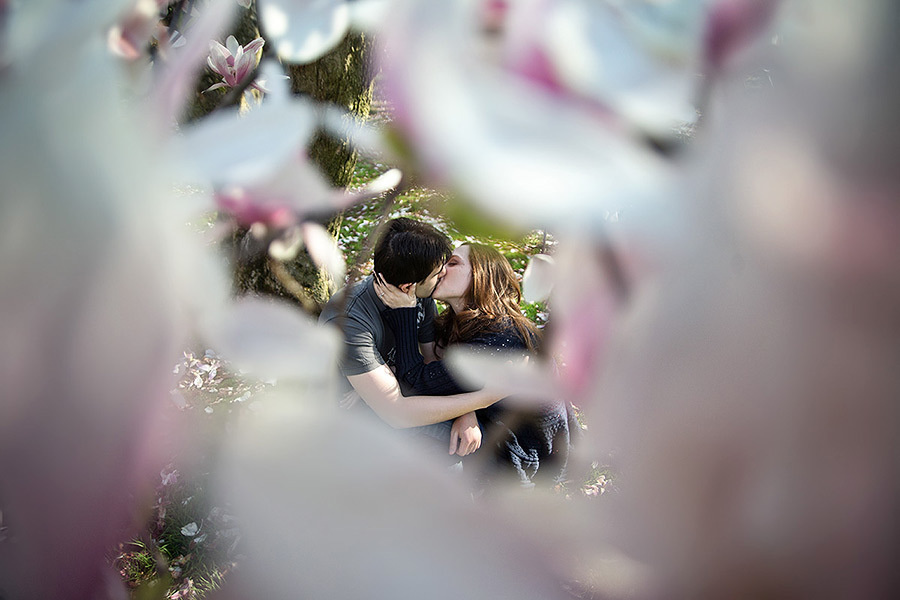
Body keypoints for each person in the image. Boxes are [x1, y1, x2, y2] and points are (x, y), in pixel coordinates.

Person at [375, 243, 572, 488]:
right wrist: (468, 412)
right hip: (489, 421)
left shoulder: (503, 340)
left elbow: (416, 380)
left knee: (395, 422)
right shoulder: (462, 322)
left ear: (482, 275)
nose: (441, 269)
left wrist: (405, 310)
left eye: (453, 263)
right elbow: (441, 371)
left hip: (519, 455)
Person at [319, 218, 497, 458]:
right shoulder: (349, 322)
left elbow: (431, 358)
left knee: (473, 434)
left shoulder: (419, 292)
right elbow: (396, 413)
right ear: (406, 287)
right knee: (459, 441)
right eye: (438, 273)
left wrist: (466, 413)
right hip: (352, 417)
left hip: (401, 393)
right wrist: (481, 400)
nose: (444, 273)